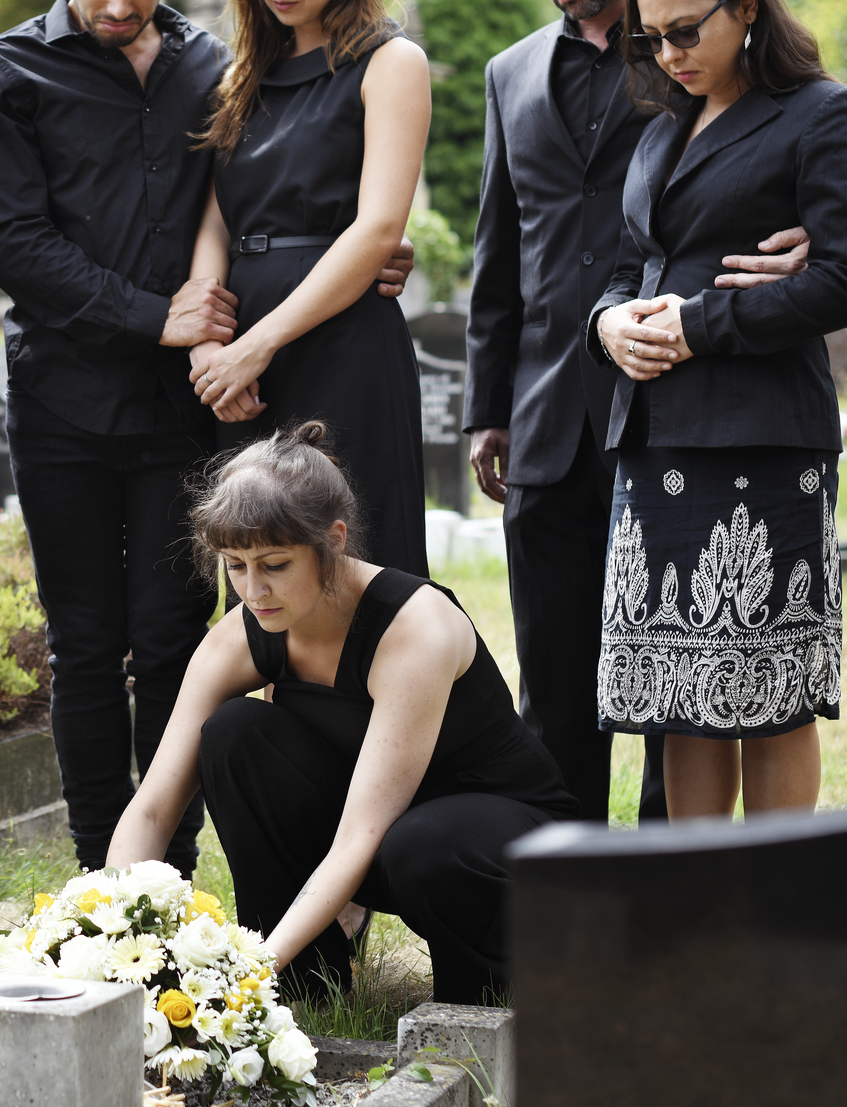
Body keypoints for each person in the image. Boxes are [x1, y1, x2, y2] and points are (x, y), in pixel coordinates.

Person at [0, 0, 421, 878]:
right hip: (70, 404)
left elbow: (271, 196)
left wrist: (330, 263)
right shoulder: (5, 72)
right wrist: (164, 321)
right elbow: (8, 239)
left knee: (181, 640)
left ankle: (167, 870)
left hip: (190, 415)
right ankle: (98, 876)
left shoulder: (214, 63)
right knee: (84, 646)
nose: (119, 4)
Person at [468, 0, 812, 822]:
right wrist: (486, 409)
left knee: (676, 692)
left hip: (676, 409)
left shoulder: (697, 47)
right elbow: (500, 252)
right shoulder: (507, 74)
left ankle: (671, 902)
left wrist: (813, 237)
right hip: (544, 422)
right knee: (555, 694)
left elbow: (790, 145)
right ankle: (578, 917)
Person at [105, 423, 577, 1006]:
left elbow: (362, 835)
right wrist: (108, 938)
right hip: (386, 840)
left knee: (422, 843)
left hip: (498, 852)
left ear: (332, 540)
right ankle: (305, 988)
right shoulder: (242, 634)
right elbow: (153, 806)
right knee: (234, 735)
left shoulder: (415, 628)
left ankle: (491, 992)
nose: (254, 590)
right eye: (235, 565)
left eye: (275, 564)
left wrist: (240, 979)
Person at [590, 0, 847, 818]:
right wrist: (610, 326)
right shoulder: (661, 129)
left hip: (760, 434)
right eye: (653, 37)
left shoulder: (824, 114)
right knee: (675, 698)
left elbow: (846, 281)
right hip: (653, 436)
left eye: (687, 31)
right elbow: (628, 264)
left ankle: (778, 915)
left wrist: (698, 324)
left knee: (770, 698)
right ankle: (698, 912)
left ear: (745, 5)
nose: (669, 54)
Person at [187, 0, 432, 576]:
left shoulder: (390, 61)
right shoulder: (239, 77)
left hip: (343, 339)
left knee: (356, 559)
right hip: (241, 353)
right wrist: (211, 351)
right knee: (260, 564)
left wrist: (256, 347)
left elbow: (379, 229)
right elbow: (213, 222)